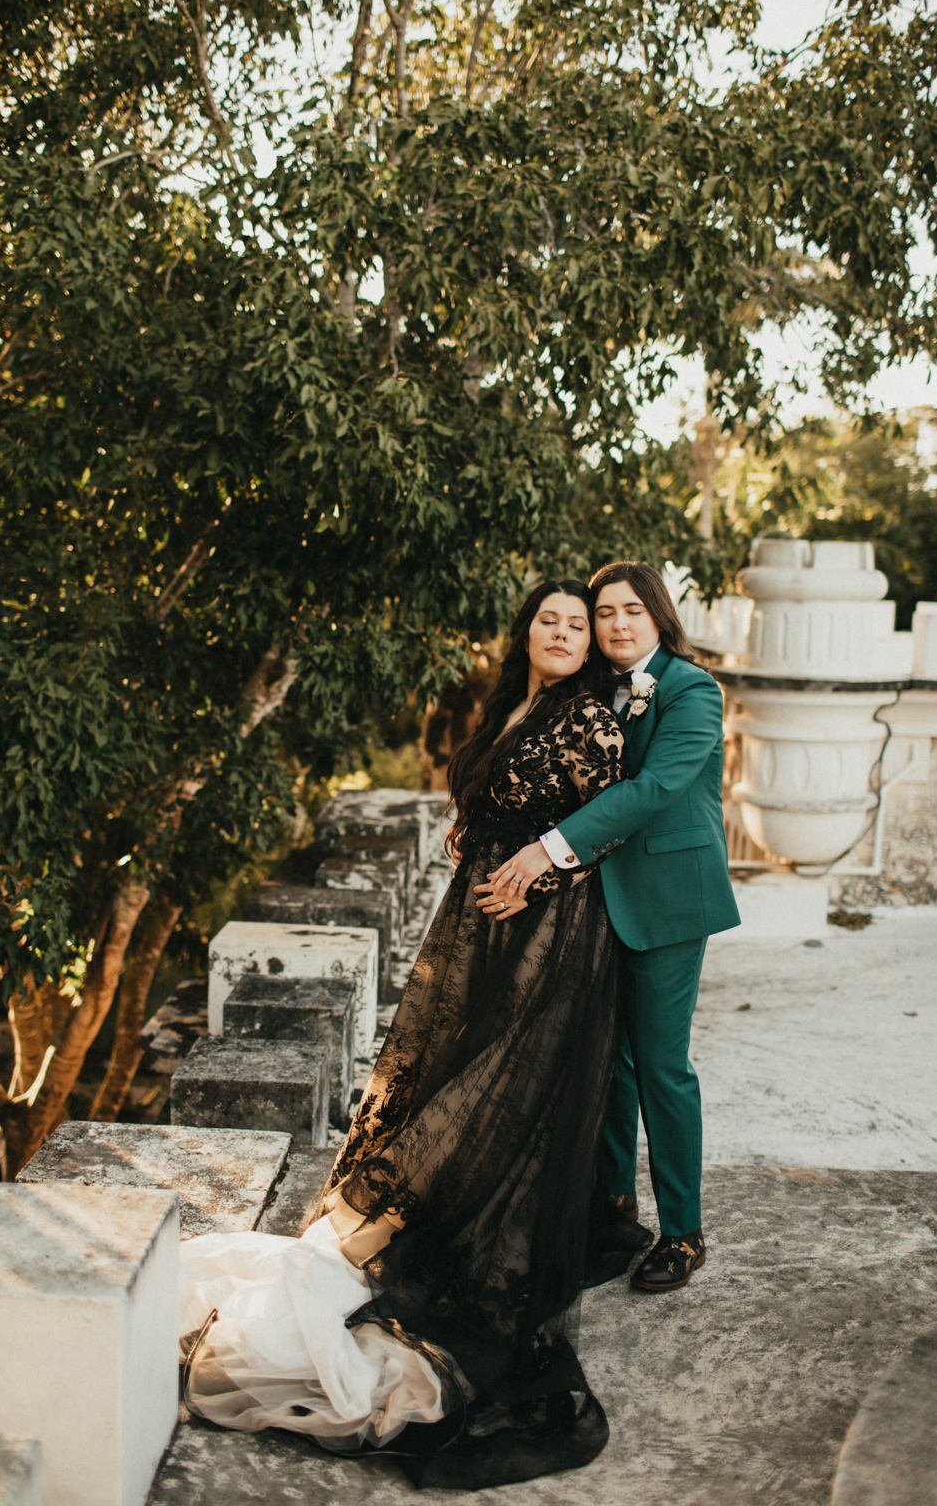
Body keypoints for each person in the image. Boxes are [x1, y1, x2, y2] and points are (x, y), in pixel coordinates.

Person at [178, 580, 628, 1489]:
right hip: (477, 923)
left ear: (590, 646)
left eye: (576, 625)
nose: (562, 632)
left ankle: (425, 1226)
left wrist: (533, 871)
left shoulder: (591, 720)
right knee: (444, 1067)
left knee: (490, 1085)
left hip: (543, 932)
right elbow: (497, 796)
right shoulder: (513, 707)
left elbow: (608, 828)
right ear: (526, 634)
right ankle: (400, 1223)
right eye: (548, 620)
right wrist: (476, 829)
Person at [486, 562, 739, 1293]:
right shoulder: (595, 690)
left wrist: (547, 849)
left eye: (632, 610)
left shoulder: (691, 690)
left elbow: (654, 789)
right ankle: (611, 1205)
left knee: (660, 1064)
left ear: (658, 616)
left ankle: (683, 1233)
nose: (617, 624)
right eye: (604, 613)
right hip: (593, 895)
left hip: (667, 898)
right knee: (607, 1059)